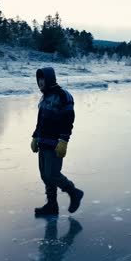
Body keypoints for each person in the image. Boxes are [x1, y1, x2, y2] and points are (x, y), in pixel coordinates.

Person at [31, 67, 84, 216]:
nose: (40, 82)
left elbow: (68, 121)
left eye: (43, 79)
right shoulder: (44, 97)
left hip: (55, 144)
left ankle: (74, 193)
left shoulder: (63, 96)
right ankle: (52, 205)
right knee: (44, 175)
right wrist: (35, 136)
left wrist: (63, 140)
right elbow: (40, 121)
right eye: (39, 79)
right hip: (43, 142)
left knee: (53, 174)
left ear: (49, 79)